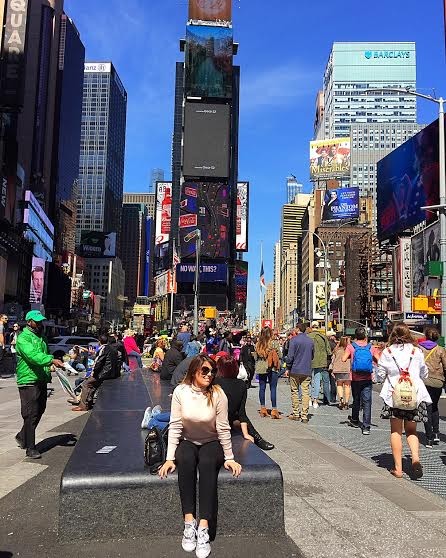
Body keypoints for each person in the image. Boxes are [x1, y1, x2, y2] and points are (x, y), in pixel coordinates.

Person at [158, 355, 242, 558]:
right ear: (194, 371)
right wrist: (169, 457)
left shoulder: (218, 394)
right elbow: (176, 425)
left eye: (212, 371)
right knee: (184, 460)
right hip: (188, 440)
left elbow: (223, 428)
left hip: (211, 441)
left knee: (206, 464)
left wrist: (229, 457)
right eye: (204, 370)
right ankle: (189, 523)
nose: (209, 374)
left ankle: (203, 526)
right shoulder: (181, 391)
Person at [377, 323, 431, 478]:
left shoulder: (387, 352)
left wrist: (385, 377)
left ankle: (398, 469)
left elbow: (380, 375)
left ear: (393, 334)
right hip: (414, 395)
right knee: (412, 430)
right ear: (409, 334)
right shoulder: (417, 351)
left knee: (396, 431)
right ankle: (415, 459)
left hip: (394, 396)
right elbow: (424, 373)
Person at [15, 310, 64, 458]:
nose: (40, 324)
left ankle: (22, 436)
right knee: (30, 413)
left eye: (41, 321)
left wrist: (49, 366)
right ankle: (30, 448)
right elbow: (33, 356)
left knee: (40, 409)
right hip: (28, 379)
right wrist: (51, 360)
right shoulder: (23, 338)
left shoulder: (42, 337)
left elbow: (43, 355)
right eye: (37, 321)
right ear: (29, 322)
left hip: (41, 378)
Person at [215, 355, 274, 450]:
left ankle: (259, 439)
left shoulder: (214, 382)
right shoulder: (241, 384)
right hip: (229, 419)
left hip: (214, 421)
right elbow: (241, 412)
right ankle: (259, 439)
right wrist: (246, 434)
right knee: (239, 414)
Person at [72, 335, 120, 412]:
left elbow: (98, 362)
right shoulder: (112, 348)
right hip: (111, 373)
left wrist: (93, 373)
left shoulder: (103, 348)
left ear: (99, 341)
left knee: (86, 384)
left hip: (103, 374)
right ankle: (89, 403)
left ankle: (83, 406)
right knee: (92, 386)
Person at [342, 327, 375, 435]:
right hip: (367, 378)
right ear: (365, 335)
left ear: (355, 336)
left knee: (356, 399)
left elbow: (343, 358)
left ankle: (355, 420)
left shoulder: (351, 346)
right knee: (367, 402)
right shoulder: (371, 347)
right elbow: (379, 359)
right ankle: (366, 427)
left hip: (355, 378)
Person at [419, 326, 446, 447]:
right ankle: (436, 434)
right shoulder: (440, 350)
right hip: (437, 381)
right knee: (434, 407)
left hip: (424, 381)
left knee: (426, 408)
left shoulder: (419, 349)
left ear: (426, 336)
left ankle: (429, 437)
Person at [286, 323, 314, 423]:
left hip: (295, 369)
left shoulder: (293, 340)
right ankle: (304, 415)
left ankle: (296, 413)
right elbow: (312, 355)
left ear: (298, 329)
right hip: (306, 370)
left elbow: (290, 357)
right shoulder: (310, 341)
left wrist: (288, 367)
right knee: (305, 392)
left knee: (295, 391)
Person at [254, 326, 282, 419]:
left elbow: (255, 357)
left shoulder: (258, 344)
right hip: (272, 367)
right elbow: (280, 355)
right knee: (273, 388)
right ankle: (274, 410)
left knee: (262, 388)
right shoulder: (274, 343)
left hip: (261, 367)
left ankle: (263, 409)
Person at [308, 322, 332, 408]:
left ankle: (309, 399)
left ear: (311, 327)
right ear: (318, 327)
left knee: (309, 381)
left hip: (309, 361)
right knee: (317, 380)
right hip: (320, 362)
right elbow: (329, 351)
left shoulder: (308, 336)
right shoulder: (323, 337)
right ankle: (315, 400)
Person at [330, 336, 351, 410]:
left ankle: (341, 399)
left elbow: (333, 359)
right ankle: (347, 402)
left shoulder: (337, 349)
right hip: (347, 369)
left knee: (339, 385)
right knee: (347, 386)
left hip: (338, 369)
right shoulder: (350, 349)